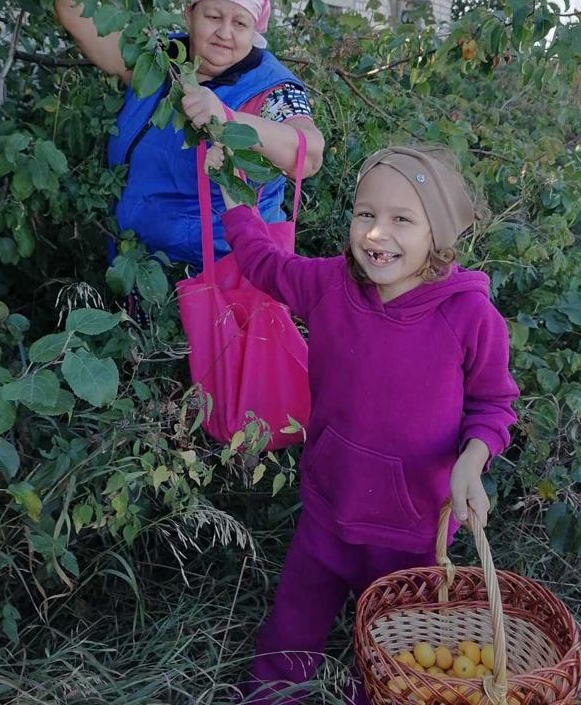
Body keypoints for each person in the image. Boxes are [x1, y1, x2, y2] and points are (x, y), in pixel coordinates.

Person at [209, 143, 518, 704]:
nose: (377, 234)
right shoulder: (331, 285)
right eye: (366, 214)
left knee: (392, 662)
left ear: (438, 236)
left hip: (416, 532)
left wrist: (472, 463)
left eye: (402, 220)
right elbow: (264, 263)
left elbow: (493, 405)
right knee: (288, 636)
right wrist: (232, 193)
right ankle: (274, 694)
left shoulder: (470, 316)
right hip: (329, 509)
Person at [8, 0, 324, 269]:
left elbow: (308, 155)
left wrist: (227, 119)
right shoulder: (159, 59)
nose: (225, 32)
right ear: (189, 15)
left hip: (219, 282)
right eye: (213, 16)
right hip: (135, 264)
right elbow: (76, 14)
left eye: (240, 22)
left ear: (255, 31)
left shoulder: (270, 87)